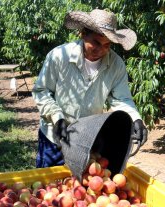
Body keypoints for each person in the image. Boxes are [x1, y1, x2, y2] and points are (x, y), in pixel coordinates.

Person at [32, 9, 148, 168]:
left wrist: (135, 118)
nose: (101, 50)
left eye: (107, 45)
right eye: (96, 42)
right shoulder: (59, 56)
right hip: (54, 138)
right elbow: (42, 91)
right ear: (82, 33)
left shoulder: (116, 65)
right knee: (49, 186)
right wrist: (57, 118)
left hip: (87, 139)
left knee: (82, 187)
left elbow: (121, 99)